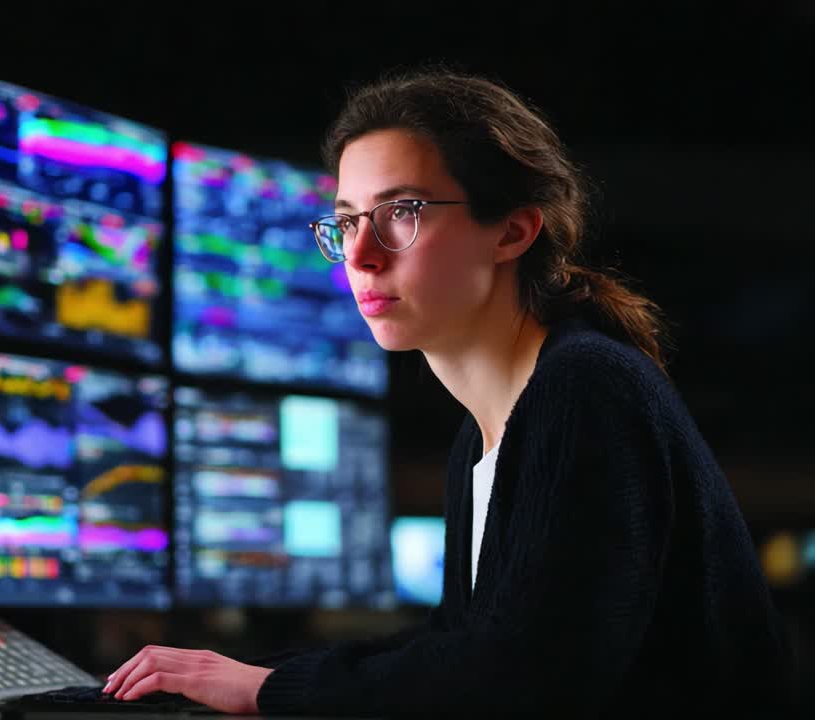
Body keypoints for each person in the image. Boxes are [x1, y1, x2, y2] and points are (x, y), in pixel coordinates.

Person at [100, 69, 795, 715]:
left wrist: (273, 689)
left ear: (514, 230)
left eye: (401, 211)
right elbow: (461, 643)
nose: (362, 255)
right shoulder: (486, 432)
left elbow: (522, 679)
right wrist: (249, 676)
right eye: (345, 222)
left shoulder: (586, 387)